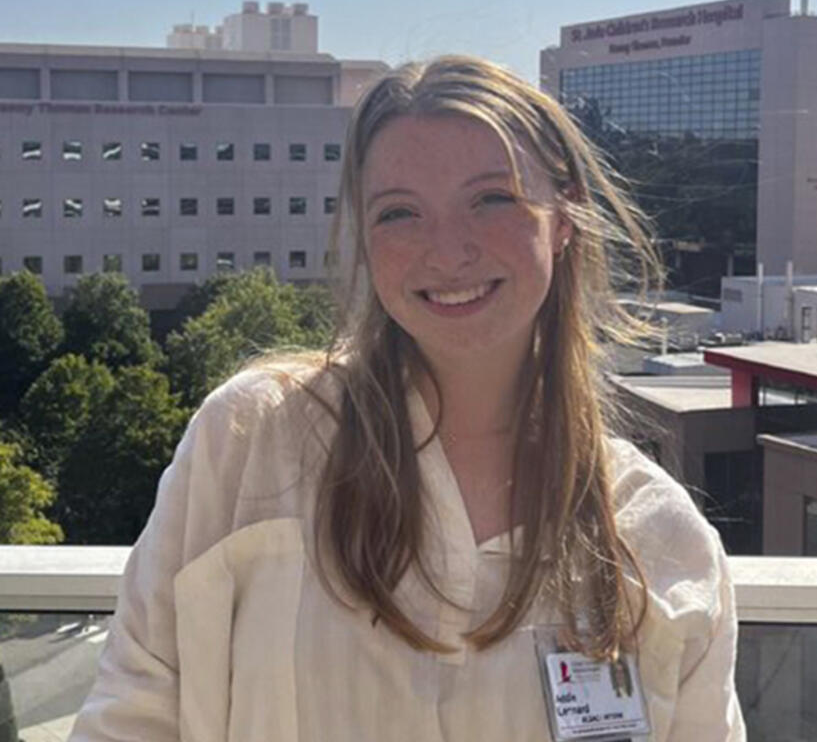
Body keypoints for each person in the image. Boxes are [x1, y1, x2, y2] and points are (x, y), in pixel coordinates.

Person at [69, 55, 745, 741]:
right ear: (363, 239)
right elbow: (132, 713)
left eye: (492, 198)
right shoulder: (252, 442)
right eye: (399, 213)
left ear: (564, 215)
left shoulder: (661, 539)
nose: (448, 251)